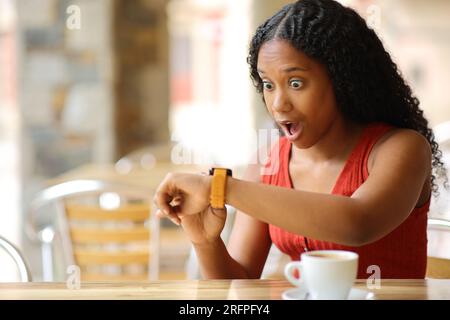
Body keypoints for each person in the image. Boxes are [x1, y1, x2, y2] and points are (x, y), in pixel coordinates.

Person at [154, 0, 447, 279]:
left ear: (342, 79)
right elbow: (239, 282)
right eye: (268, 84)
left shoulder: (401, 148)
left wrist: (220, 189)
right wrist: (205, 241)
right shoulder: (269, 163)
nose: (278, 104)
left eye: (296, 83)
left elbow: (358, 223)